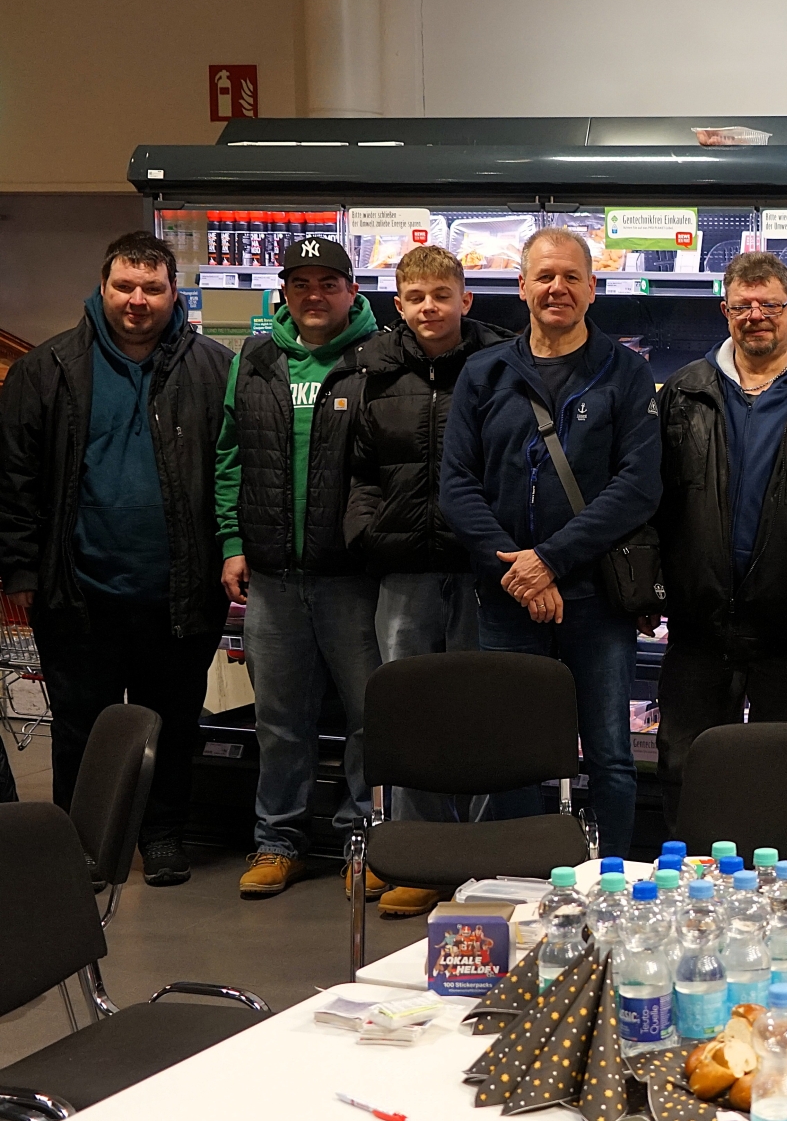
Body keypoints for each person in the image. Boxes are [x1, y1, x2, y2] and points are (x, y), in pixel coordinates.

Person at [0, 232, 233, 885]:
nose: (137, 299)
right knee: (82, 728)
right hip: (76, 589)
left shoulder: (215, 368)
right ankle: (82, 846)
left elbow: (233, 472)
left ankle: (163, 837)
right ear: (102, 288)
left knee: (174, 723)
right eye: (124, 286)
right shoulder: (47, 368)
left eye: (151, 288)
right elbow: (14, 477)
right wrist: (20, 570)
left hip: (180, 589)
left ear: (173, 292)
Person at [441, 228, 662, 860]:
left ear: (592, 289)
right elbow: (457, 486)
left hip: (596, 598)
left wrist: (548, 562)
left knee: (610, 755)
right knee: (513, 751)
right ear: (522, 287)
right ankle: (522, 873)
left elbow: (638, 487)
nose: (556, 288)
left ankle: (610, 878)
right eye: (544, 277)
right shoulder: (485, 373)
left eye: (570, 277)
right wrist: (518, 572)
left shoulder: (626, 372)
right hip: (507, 597)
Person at [653, 252, 787, 822]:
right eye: (742, 305)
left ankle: (776, 875)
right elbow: (652, 498)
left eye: (769, 304)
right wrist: (649, 587)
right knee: (688, 774)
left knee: (785, 781)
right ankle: (688, 874)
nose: (755, 316)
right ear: (725, 312)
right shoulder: (683, 391)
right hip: (698, 626)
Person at [342, 244, 512, 916]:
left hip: (481, 568)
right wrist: (367, 531)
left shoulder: (500, 363)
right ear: (398, 305)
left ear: (466, 299)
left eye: (442, 295)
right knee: (408, 713)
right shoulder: (375, 370)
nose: (429, 307)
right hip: (405, 566)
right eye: (416, 297)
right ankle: (419, 851)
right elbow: (361, 468)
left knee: (481, 711)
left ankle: (477, 856)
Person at [220, 234, 381, 898]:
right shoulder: (254, 359)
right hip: (273, 579)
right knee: (279, 721)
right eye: (301, 284)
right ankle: (277, 841)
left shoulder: (380, 357)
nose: (314, 295)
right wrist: (232, 542)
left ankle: (363, 841)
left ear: (352, 290)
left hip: (354, 578)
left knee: (370, 718)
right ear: (283, 292)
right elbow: (229, 456)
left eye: (328, 283)